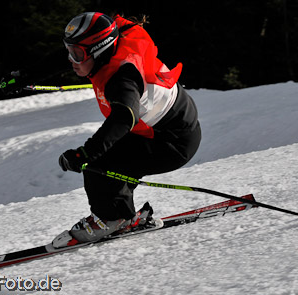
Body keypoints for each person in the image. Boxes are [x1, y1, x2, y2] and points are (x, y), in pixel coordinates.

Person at [52, 12, 201, 248]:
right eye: (69, 51)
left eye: (77, 54)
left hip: (173, 141)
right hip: (172, 123)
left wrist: (84, 154)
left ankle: (113, 219)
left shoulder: (122, 78)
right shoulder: (116, 37)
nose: (71, 59)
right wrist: (23, 76)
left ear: (99, 50)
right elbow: (86, 43)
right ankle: (122, 214)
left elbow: (124, 118)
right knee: (111, 161)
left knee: (98, 164)